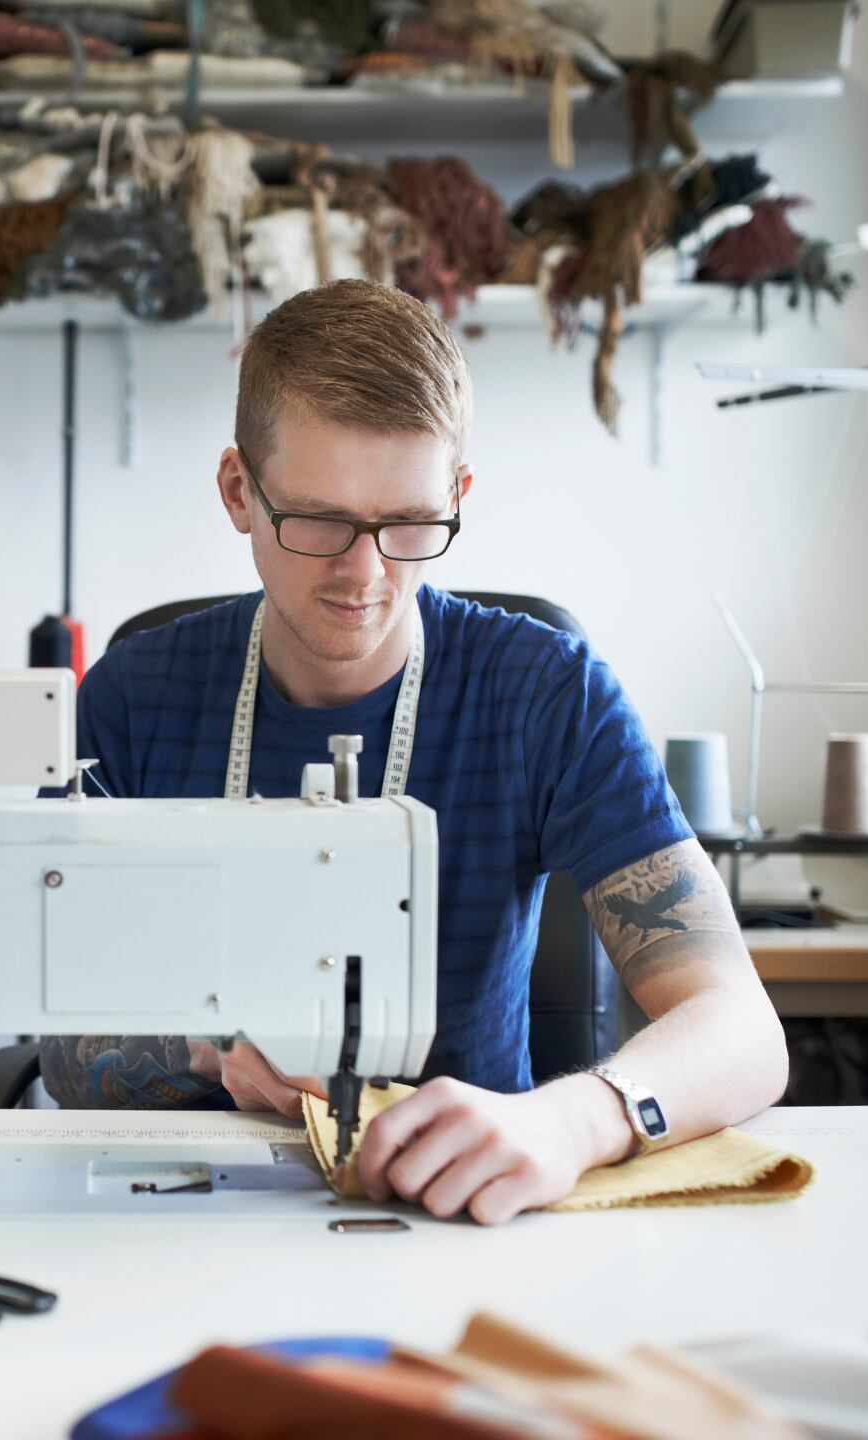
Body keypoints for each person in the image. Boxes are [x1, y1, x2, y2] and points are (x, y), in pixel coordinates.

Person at [38, 280, 787, 1226]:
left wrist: (573, 1121)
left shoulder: (544, 695)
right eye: (316, 520)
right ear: (239, 491)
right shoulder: (132, 700)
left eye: (410, 525)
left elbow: (743, 1030)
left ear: (458, 495)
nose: (365, 573)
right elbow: (57, 1041)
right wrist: (211, 1050)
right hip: (182, 1205)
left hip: (469, 1216)